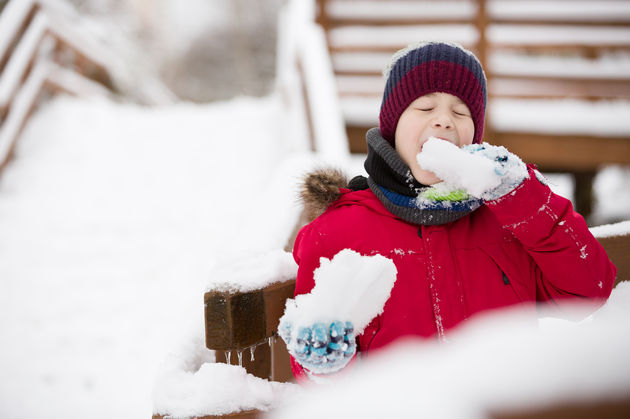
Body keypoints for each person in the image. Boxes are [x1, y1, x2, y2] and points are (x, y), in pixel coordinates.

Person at [279, 42, 617, 382]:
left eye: (460, 112)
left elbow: (590, 289)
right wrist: (326, 363)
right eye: (424, 107)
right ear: (392, 126)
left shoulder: (509, 219)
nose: (443, 121)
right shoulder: (338, 231)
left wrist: (522, 195)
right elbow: (319, 376)